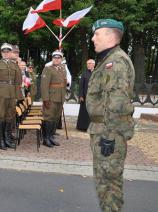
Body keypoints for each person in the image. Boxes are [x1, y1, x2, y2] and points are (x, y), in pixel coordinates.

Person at [87, 19, 135, 212]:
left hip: (109, 132)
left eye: (96, 34)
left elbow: (117, 103)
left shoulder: (116, 62)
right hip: (105, 129)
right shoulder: (108, 59)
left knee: (108, 183)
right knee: (105, 182)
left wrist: (108, 136)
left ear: (110, 36)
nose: (92, 38)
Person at [0, 43, 22, 150]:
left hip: (12, 94)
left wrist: (17, 96)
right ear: (1, 53)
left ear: (10, 53)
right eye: (4, 52)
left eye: (8, 52)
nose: (6, 53)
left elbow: (18, 82)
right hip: (1, 94)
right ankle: (1, 141)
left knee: (10, 116)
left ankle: (7, 139)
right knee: (1, 117)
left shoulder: (14, 65)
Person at [40, 50, 67, 148]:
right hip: (51, 98)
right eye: (55, 58)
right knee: (48, 117)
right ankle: (46, 139)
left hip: (60, 97)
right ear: (52, 59)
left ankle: (51, 137)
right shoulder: (48, 69)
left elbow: (64, 83)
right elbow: (44, 86)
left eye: (58, 58)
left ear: (61, 59)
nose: (56, 59)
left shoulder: (62, 68)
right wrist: (45, 99)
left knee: (55, 118)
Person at [76, 59, 95, 131]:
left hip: (94, 97)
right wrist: (81, 95)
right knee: (84, 112)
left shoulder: (96, 73)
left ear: (93, 64)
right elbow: (81, 86)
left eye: (90, 63)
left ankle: (91, 127)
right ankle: (82, 126)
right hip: (85, 96)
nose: (88, 65)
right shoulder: (84, 73)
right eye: (87, 64)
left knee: (91, 112)